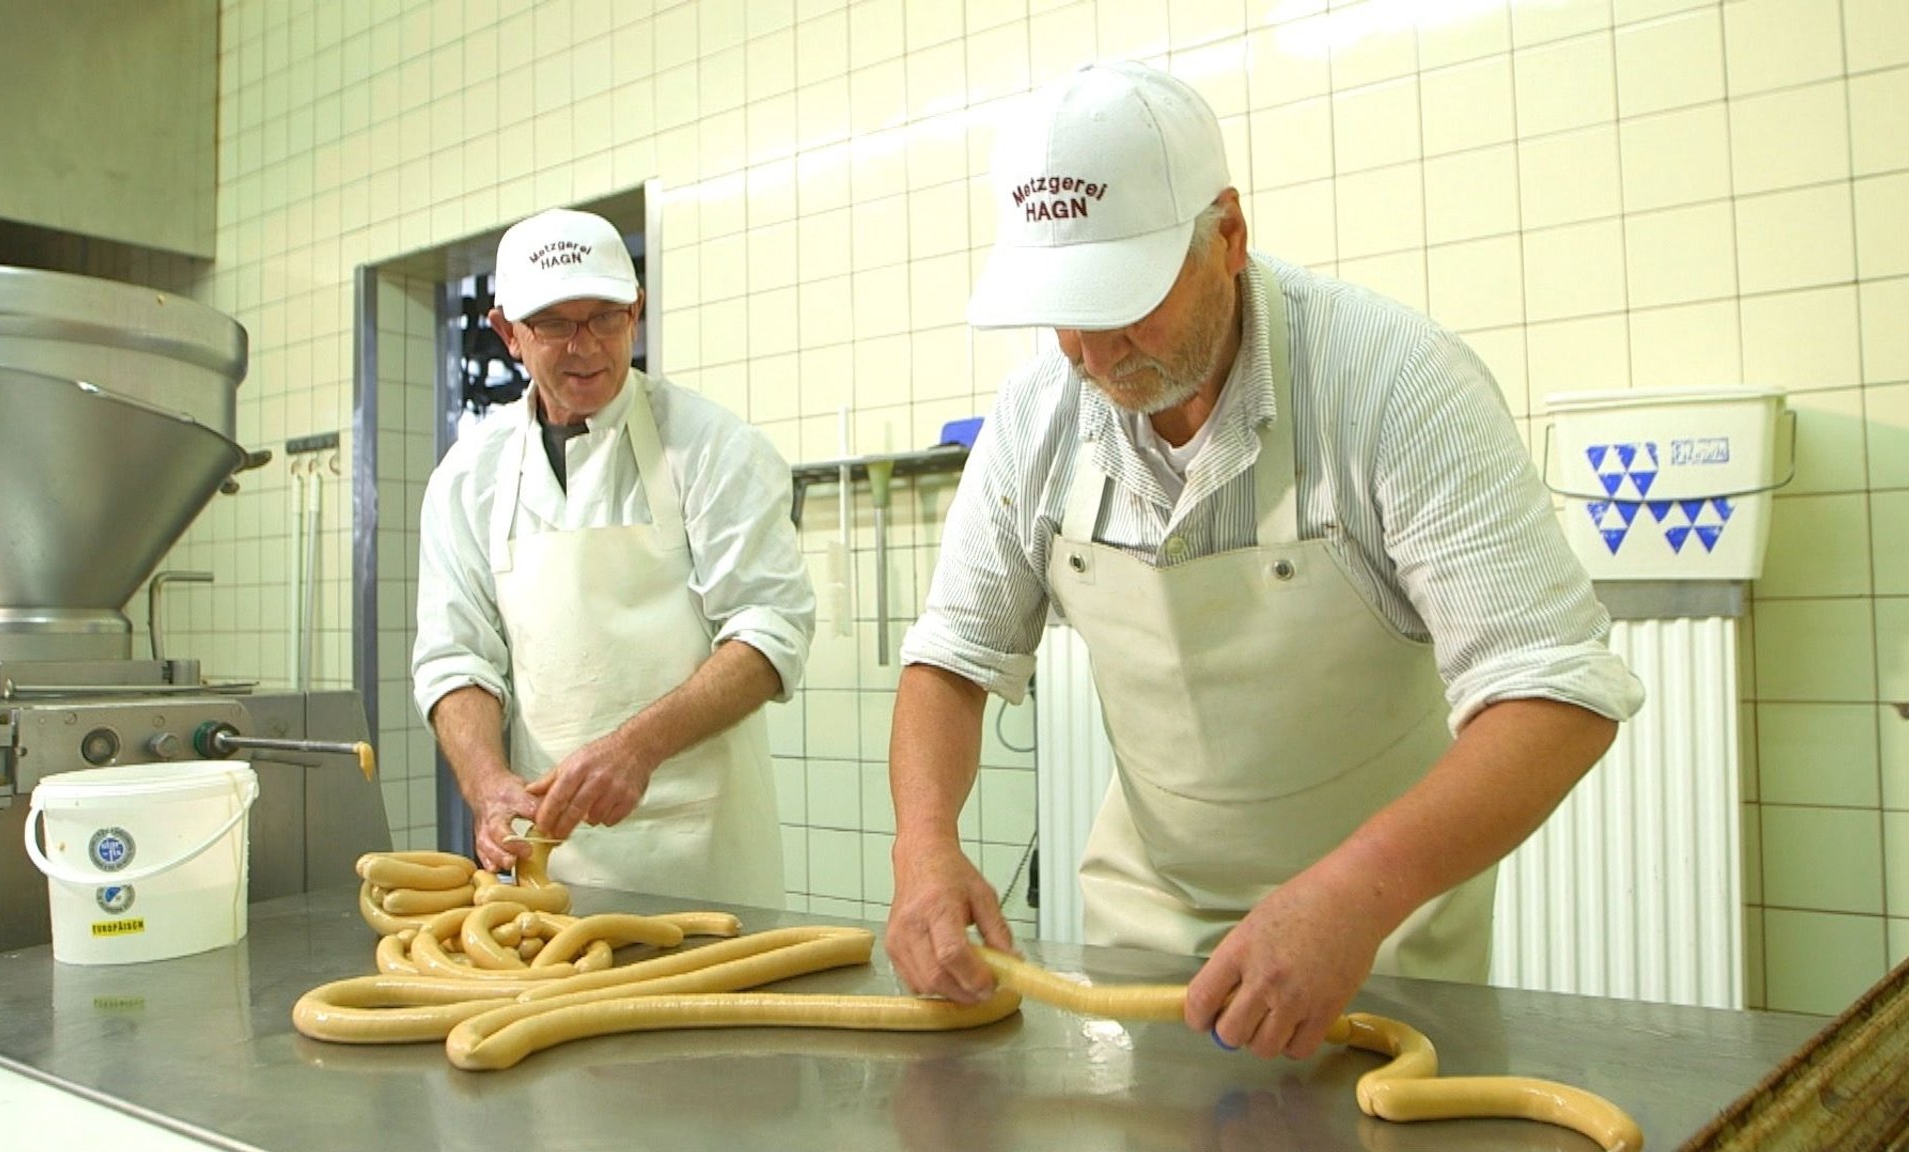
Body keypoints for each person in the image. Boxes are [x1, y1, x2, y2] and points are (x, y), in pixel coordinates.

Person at [884, 62, 1645, 1060]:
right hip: (1144, 935)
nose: (1092, 354)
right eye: (1061, 311)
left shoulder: (1391, 384)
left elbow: (1554, 690)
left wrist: (1355, 891)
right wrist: (924, 848)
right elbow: (951, 656)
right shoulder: (1038, 415)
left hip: (1380, 935)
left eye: (1124, 302)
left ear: (1228, 236)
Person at [412, 207, 814, 908]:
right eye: (555, 325)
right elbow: (455, 657)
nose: (585, 347)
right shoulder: (468, 477)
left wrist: (635, 749)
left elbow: (769, 632)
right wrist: (487, 785)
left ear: (638, 311)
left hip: (708, 864)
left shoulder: (715, 447)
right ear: (508, 333)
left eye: (604, 318)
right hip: (555, 872)